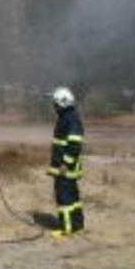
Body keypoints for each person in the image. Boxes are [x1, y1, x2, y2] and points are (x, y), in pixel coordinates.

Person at [48, 87, 85, 237]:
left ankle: (67, 228)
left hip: (66, 168)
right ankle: (77, 225)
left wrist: (65, 164)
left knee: (65, 197)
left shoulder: (70, 119)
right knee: (73, 197)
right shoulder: (67, 116)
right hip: (64, 167)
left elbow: (74, 145)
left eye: (55, 104)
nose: (54, 107)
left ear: (62, 103)